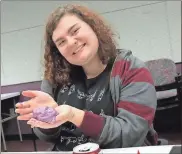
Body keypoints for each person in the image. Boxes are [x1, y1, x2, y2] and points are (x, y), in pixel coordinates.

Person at [15, 4, 158, 151]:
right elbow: (47, 137)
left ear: (93, 28)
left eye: (75, 31)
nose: (71, 43)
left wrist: (74, 115)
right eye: (61, 42)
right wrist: (48, 118)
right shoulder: (55, 77)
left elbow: (129, 135)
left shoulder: (131, 69)